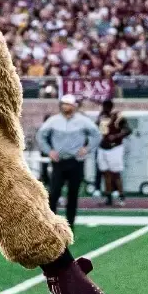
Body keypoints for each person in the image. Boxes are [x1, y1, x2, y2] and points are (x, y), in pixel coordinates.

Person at [37, 96, 99, 226]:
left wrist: (87, 149)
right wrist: (49, 151)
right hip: (59, 162)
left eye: (69, 104)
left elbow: (96, 135)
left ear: (74, 106)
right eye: (64, 104)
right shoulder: (53, 121)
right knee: (54, 193)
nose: (66, 107)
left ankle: (69, 226)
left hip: (75, 161)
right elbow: (40, 136)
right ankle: (51, 225)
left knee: (72, 195)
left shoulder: (83, 121)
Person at [95, 101, 128, 207]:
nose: (105, 109)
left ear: (110, 107)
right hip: (102, 147)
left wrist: (116, 136)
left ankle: (121, 196)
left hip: (115, 148)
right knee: (106, 174)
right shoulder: (101, 116)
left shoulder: (118, 116)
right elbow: (97, 128)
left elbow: (128, 130)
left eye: (107, 107)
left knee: (116, 174)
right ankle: (108, 198)